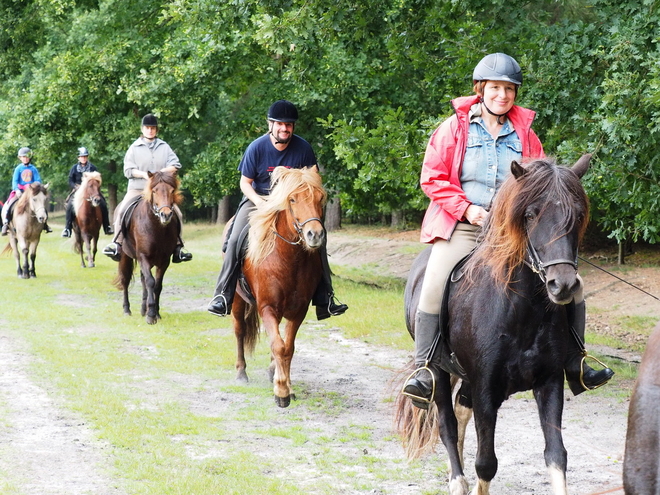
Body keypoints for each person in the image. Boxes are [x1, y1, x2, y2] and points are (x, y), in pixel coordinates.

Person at [402, 53, 614, 408]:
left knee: (573, 283)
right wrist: (468, 209)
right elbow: (432, 178)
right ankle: (424, 368)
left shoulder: (527, 136)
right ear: (481, 88)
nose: (503, 95)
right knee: (436, 277)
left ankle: (576, 361)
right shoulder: (454, 129)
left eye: (509, 89)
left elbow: (544, 186)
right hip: (465, 226)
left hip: (513, 233)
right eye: (496, 88)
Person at [207, 99, 348, 320]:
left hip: (292, 204)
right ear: (270, 124)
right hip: (259, 200)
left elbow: (314, 178)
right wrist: (259, 201)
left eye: (289, 125)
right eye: (280, 124)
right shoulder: (256, 147)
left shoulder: (303, 148)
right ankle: (222, 295)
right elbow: (245, 182)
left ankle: (325, 298)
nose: (285, 128)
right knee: (234, 239)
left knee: (319, 236)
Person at [101, 114, 192, 263]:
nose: (150, 130)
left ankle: (178, 247)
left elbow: (176, 165)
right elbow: (128, 170)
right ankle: (116, 243)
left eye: (153, 128)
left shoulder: (164, 146)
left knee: (178, 214)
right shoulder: (134, 148)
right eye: (147, 128)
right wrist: (144, 175)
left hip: (160, 191)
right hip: (138, 189)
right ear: (142, 129)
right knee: (122, 210)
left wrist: (160, 174)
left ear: (156, 130)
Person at [61, 147, 113, 238]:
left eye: (85, 156)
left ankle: (107, 226)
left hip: (92, 191)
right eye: (82, 157)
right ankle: (67, 228)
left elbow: (97, 179)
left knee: (103, 203)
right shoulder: (74, 168)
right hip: (78, 190)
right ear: (78, 158)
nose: (83, 158)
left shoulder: (93, 167)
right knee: (70, 205)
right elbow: (70, 180)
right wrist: (75, 186)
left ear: (87, 157)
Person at [1, 147, 52, 236]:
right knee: (9, 204)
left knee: (40, 205)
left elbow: (38, 180)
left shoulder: (33, 169)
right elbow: (15, 181)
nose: (25, 158)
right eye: (23, 157)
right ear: (20, 158)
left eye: (27, 157)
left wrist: (35, 186)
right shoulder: (18, 168)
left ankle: (45, 224)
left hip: (31, 192)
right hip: (20, 191)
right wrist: (16, 190)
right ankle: (6, 223)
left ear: (30, 157)